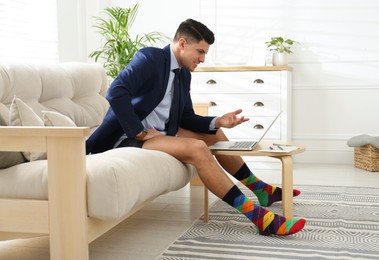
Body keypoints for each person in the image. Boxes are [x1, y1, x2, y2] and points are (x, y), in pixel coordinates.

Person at [86, 18, 305, 236]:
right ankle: (258, 217)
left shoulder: (183, 75)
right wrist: (139, 131)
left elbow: (187, 117)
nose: (202, 59)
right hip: (127, 137)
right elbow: (116, 91)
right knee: (198, 148)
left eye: (205, 54)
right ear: (182, 43)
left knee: (214, 133)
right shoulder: (151, 58)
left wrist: (218, 121)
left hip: (160, 134)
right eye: (200, 51)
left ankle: (259, 188)